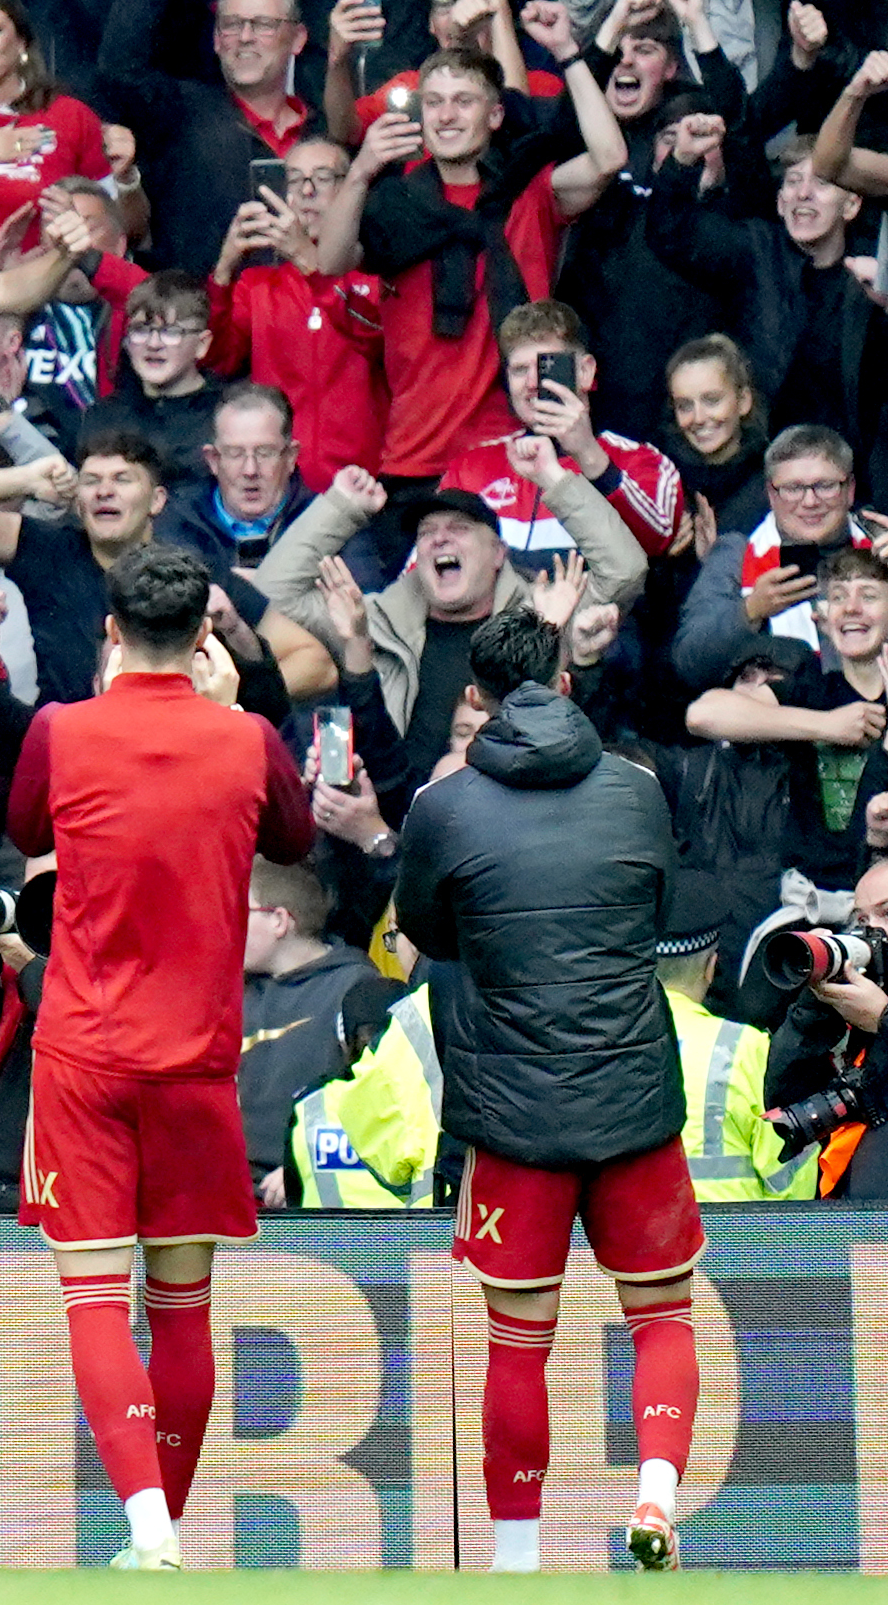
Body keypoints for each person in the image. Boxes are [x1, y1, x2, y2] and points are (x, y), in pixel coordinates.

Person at [0, 535, 312, 1572]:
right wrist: (225, 713)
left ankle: (149, 1529)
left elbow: (24, 820)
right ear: (207, 635)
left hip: (85, 1052)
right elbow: (302, 839)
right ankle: (160, 1530)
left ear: (109, 631)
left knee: (95, 1298)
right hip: (196, 1061)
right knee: (182, 1308)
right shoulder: (247, 738)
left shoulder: (64, 728)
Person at [392, 601, 704, 1575]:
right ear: (568, 676)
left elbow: (430, 935)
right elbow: (658, 908)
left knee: (517, 1343)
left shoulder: (442, 805)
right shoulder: (636, 790)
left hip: (512, 1108)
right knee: (661, 1316)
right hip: (631, 1094)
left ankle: (518, 1559)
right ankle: (654, 1495)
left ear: (474, 696)